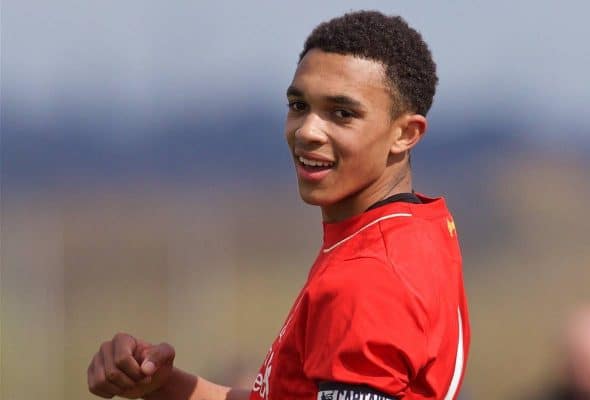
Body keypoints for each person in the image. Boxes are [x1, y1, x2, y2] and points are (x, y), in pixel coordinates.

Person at [87, 10, 470, 400]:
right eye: (299, 106)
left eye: (342, 113)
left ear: (405, 134)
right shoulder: (418, 227)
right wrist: (165, 386)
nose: (307, 131)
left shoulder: (367, 279)